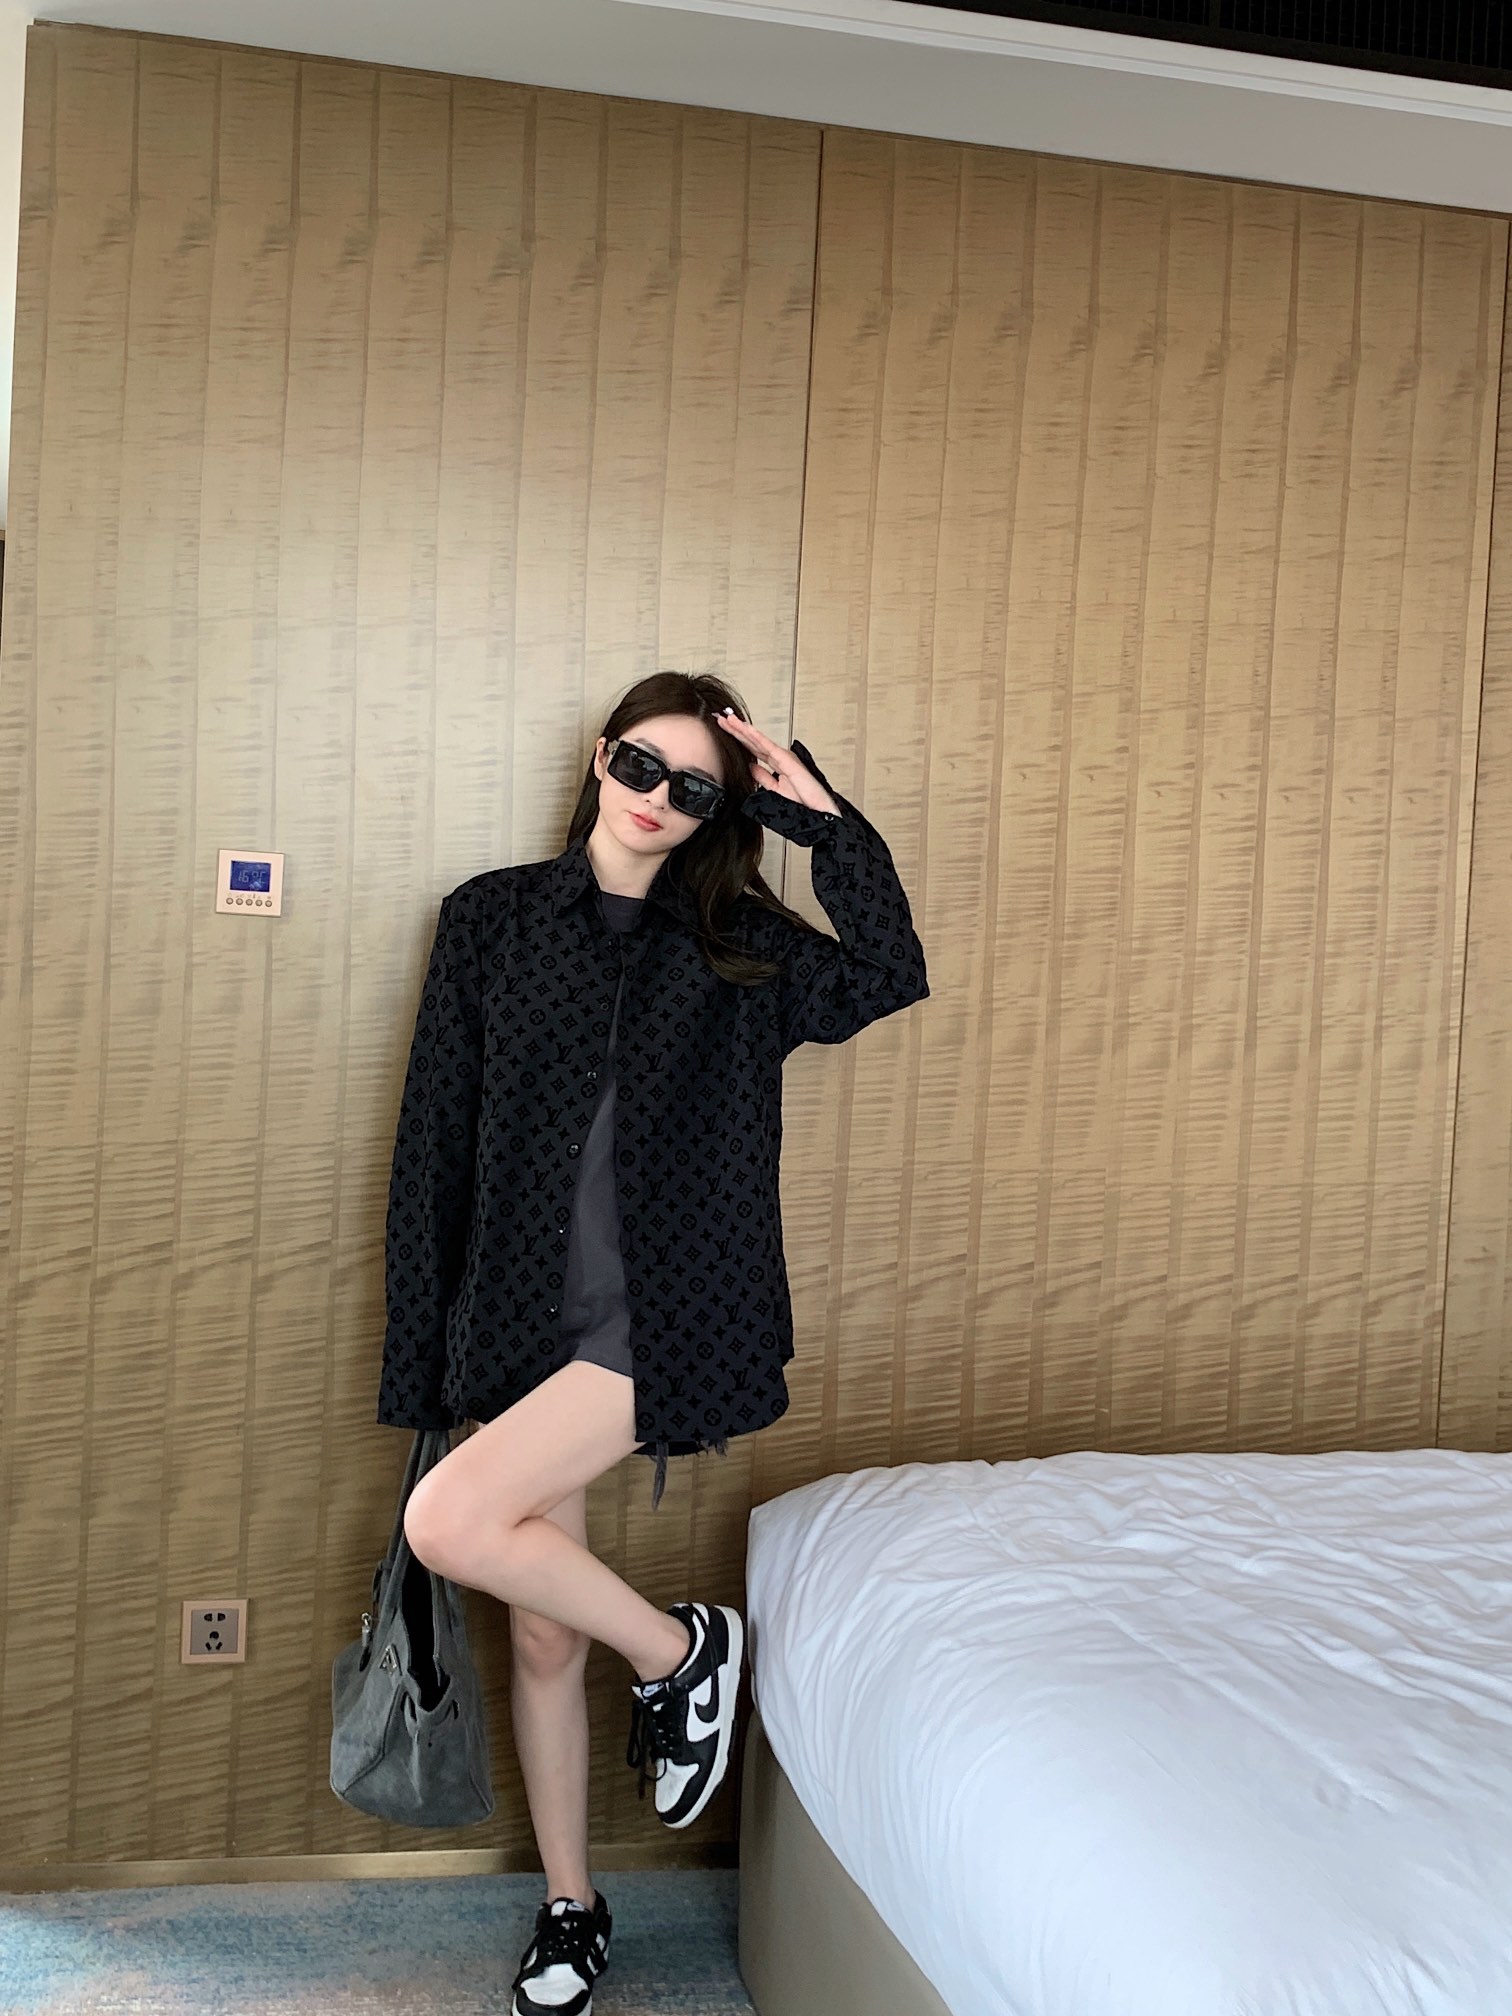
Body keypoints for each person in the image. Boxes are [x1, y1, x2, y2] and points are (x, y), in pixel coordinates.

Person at [381, 672, 929, 2016]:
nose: (656, 800)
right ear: (599, 756)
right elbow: (433, 1147)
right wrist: (425, 1366)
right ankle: (572, 1908)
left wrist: (817, 818)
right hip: (515, 1315)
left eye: (694, 789)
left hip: (674, 1313)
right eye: (640, 765)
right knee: (539, 1634)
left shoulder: (739, 943)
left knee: (448, 1524)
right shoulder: (492, 919)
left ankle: (681, 1653)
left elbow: (888, 973)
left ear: (718, 813)